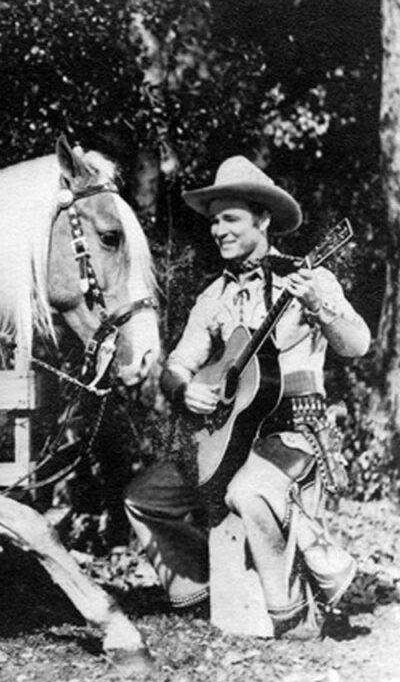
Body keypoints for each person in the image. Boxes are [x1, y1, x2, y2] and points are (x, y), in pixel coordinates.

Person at [124, 156, 370, 638]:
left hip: (293, 432)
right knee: (143, 498)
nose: (218, 229)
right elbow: (175, 365)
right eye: (213, 220)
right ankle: (201, 586)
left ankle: (290, 613)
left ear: (263, 219)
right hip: (230, 435)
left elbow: (358, 344)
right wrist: (185, 388)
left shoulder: (309, 278)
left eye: (230, 218)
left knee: (247, 491)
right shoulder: (213, 295)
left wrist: (318, 307)